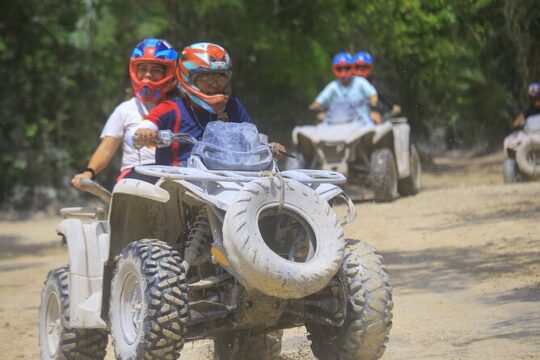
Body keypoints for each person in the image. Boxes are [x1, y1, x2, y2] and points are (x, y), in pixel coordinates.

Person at [128, 42, 285, 167]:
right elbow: (132, 135)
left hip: (227, 178)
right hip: (178, 182)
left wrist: (270, 147)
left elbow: (252, 140)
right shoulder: (171, 108)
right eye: (208, 78)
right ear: (188, 78)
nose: (215, 85)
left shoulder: (233, 107)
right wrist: (143, 134)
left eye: (220, 78)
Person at [71, 38, 178, 189]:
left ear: (169, 72)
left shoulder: (179, 108)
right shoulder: (126, 109)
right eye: (142, 68)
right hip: (135, 174)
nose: (147, 75)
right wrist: (89, 172)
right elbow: (106, 148)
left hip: (172, 174)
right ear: (134, 71)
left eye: (156, 70)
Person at [309, 52, 379, 124]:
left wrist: (373, 103)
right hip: (336, 123)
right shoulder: (332, 86)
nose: (343, 72)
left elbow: (373, 94)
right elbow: (319, 101)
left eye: (346, 68)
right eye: (340, 69)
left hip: (362, 122)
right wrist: (313, 107)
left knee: (376, 123)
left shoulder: (360, 82)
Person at [353, 51, 401, 122]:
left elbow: (381, 95)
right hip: (350, 115)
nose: (360, 72)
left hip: (370, 114)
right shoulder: (348, 83)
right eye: (358, 68)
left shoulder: (372, 83)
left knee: (376, 116)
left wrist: (392, 105)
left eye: (363, 68)